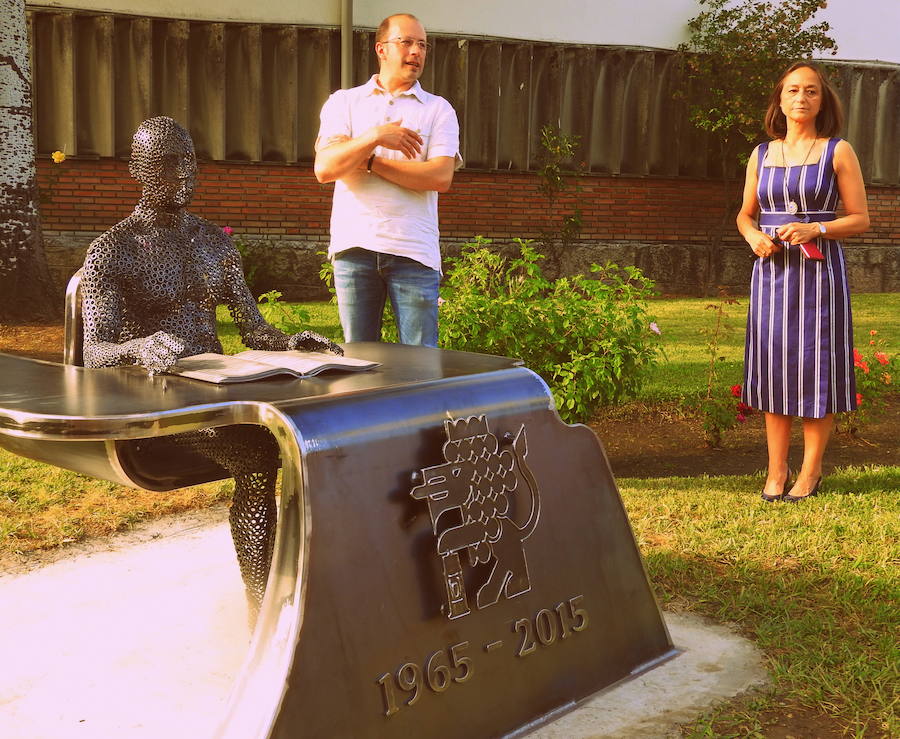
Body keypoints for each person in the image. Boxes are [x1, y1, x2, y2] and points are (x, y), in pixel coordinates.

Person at [81, 116, 342, 616]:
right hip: (162, 401)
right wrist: (137, 347)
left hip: (220, 389)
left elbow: (254, 332)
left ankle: (312, 581)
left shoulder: (216, 243)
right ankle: (261, 608)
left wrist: (292, 343)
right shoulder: (113, 250)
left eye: (188, 163)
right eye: (165, 164)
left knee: (324, 435)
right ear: (138, 171)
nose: (180, 176)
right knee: (261, 455)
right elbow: (95, 351)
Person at [736, 62, 869, 502]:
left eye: (811, 91)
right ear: (779, 99)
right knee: (774, 369)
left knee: (817, 370)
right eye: (793, 90)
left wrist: (818, 229)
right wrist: (754, 235)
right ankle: (776, 471)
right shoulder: (761, 154)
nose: (801, 98)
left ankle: (809, 474)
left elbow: (861, 219)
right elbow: (745, 214)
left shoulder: (838, 151)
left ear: (821, 100)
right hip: (772, 275)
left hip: (819, 277)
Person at [314, 13, 462, 347]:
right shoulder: (345, 102)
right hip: (355, 247)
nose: (417, 51)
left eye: (422, 44)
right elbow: (325, 168)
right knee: (358, 361)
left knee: (420, 364)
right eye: (406, 42)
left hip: (413, 251)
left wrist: (367, 161)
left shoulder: (438, 110)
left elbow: (440, 176)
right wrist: (375, 137)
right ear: (381, 49)